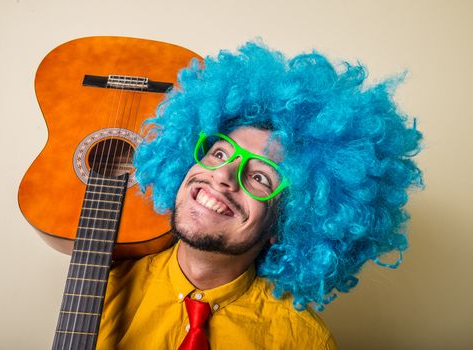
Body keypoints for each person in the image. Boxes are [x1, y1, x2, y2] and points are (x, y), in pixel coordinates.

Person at [96, 41, 423, 349]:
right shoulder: (100, 290)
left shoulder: (302, 340)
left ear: (287, 222)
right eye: (220, 154)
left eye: (259, 177)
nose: (223, 176)